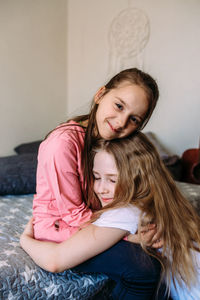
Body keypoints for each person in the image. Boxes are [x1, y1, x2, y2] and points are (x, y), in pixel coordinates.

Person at [21, 68, 163, 299]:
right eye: (119, 106)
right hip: (60, 227)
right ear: (100, 95)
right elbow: (72, 213)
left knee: (158, 250)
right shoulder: (63, 143)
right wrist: (129, 235)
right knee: (144, 269)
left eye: (133, 119)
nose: (120, 122)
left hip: (98, 221)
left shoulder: (112, 142)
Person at [21, 133, 200, 300]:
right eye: (96, 177)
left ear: (138, 179)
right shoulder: (157, 201)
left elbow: (55, 261)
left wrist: (25, 240)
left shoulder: (125, 212)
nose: (101, 189)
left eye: (112, 180)